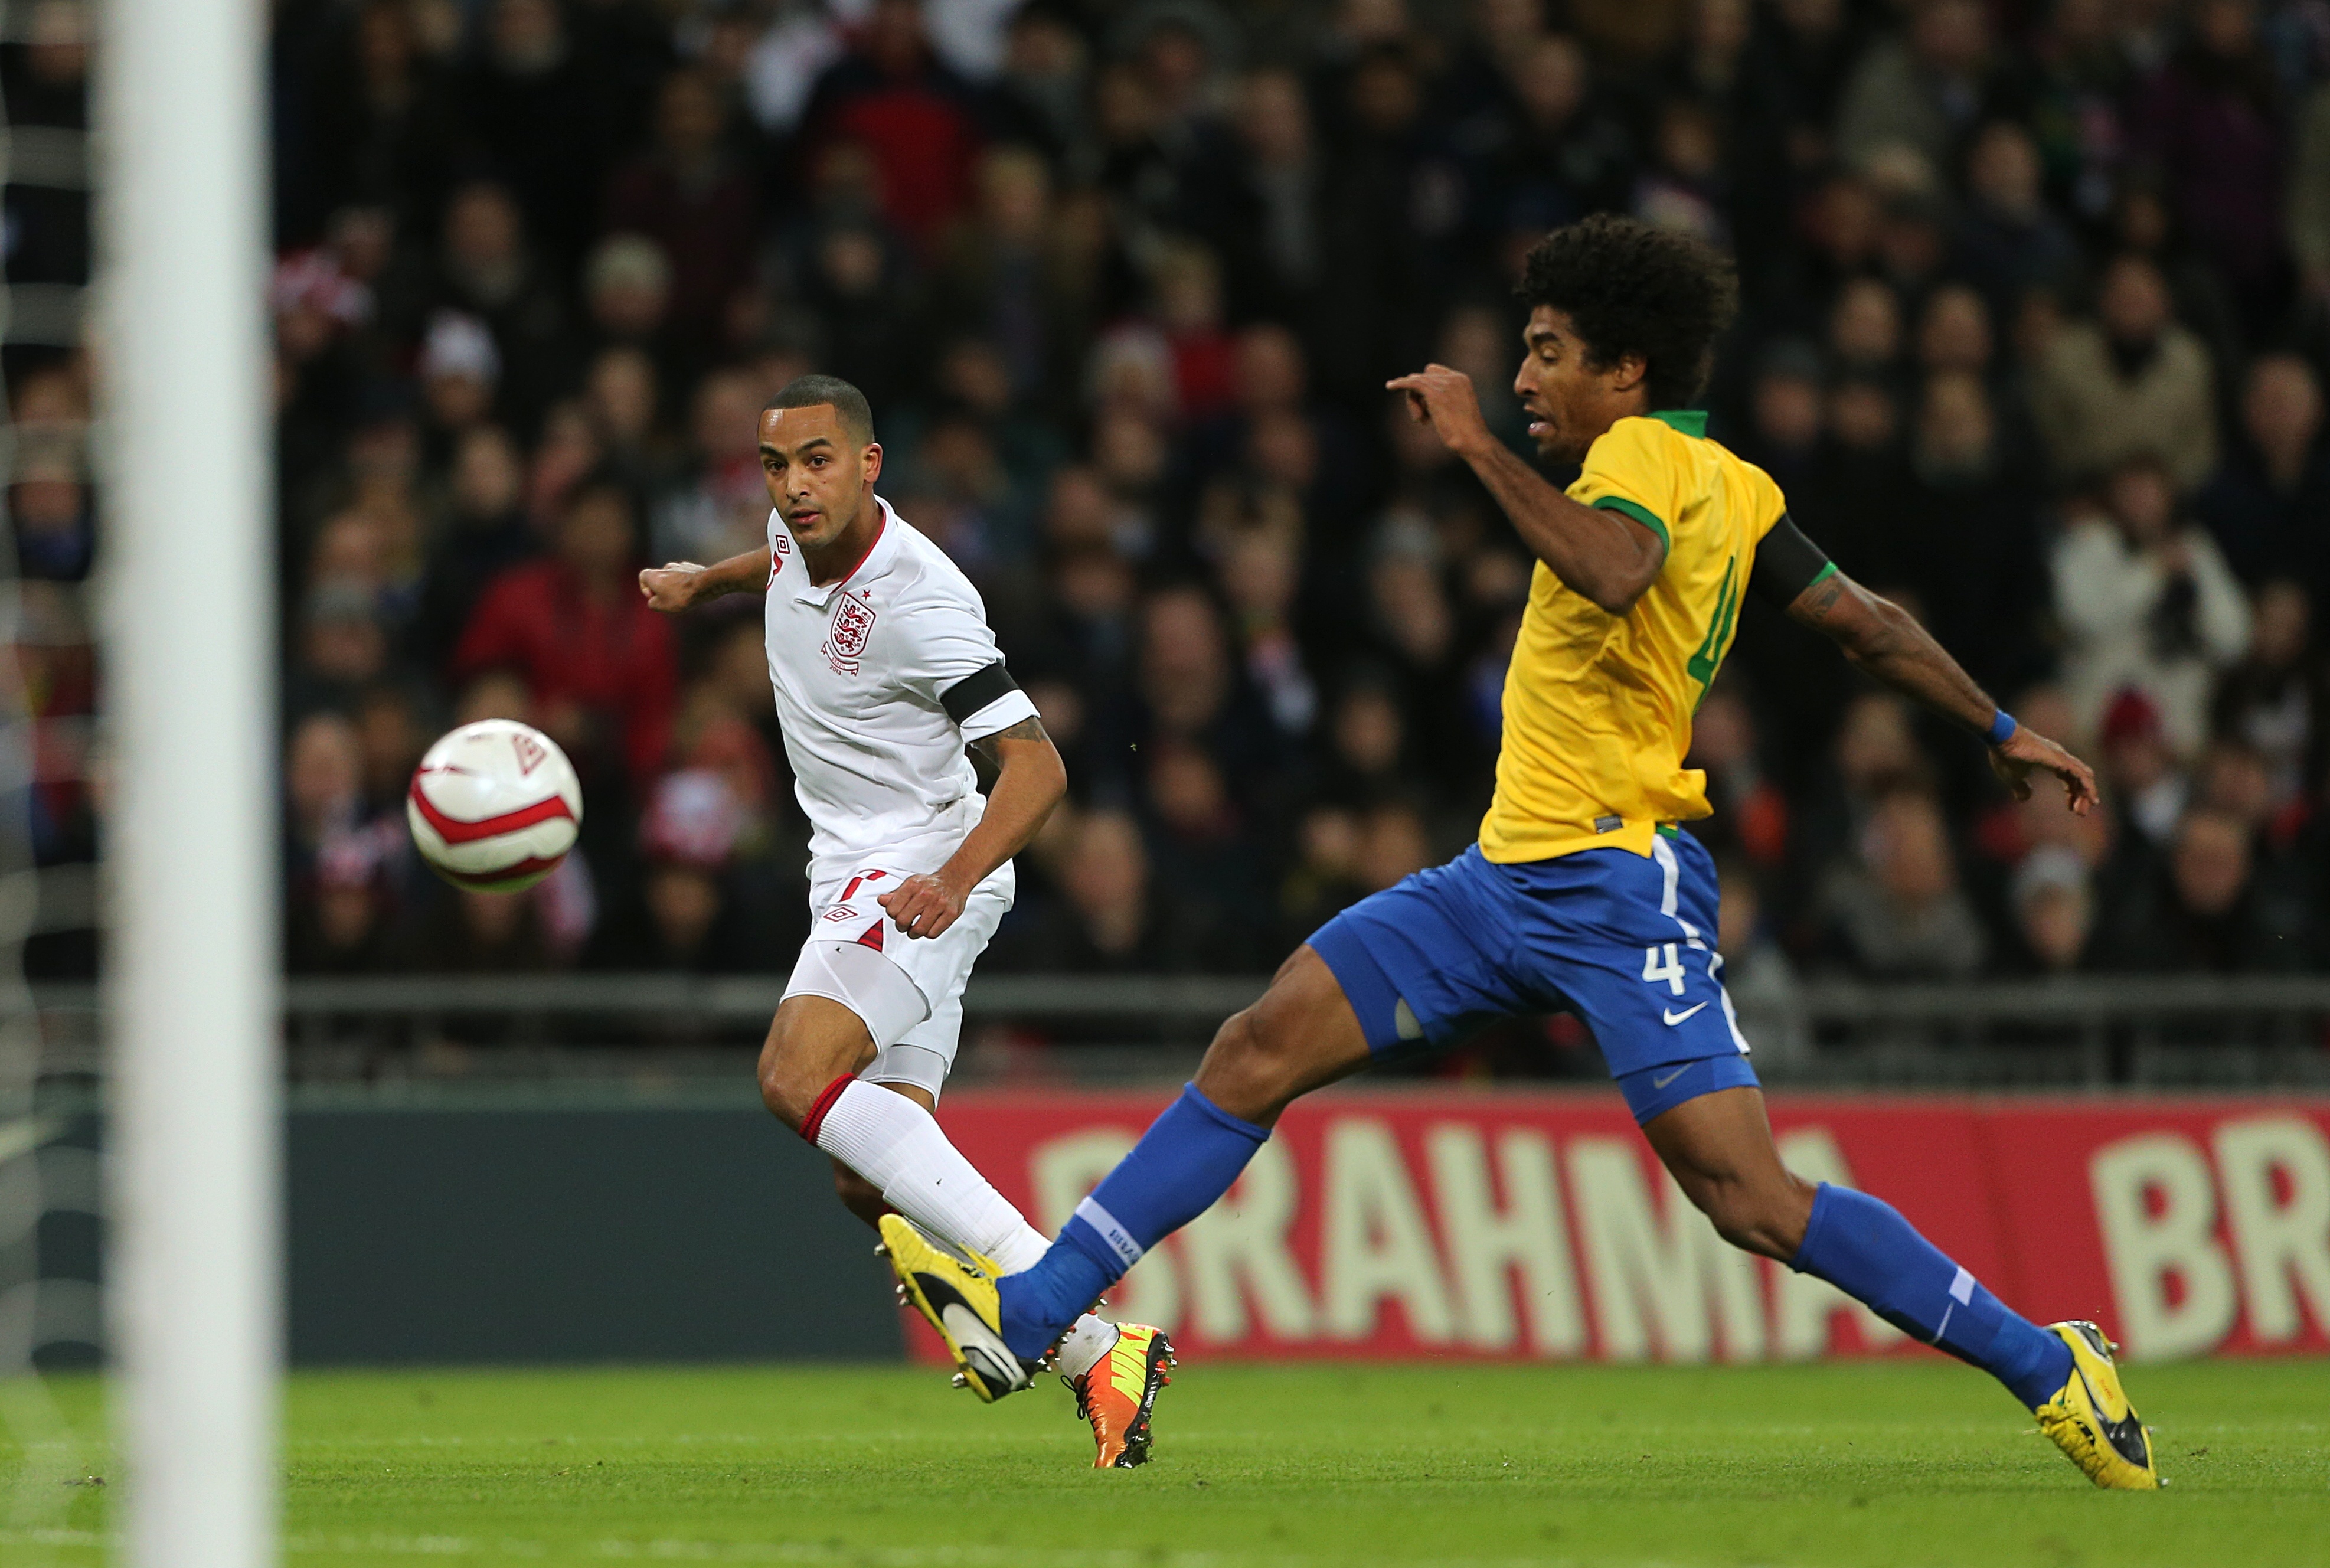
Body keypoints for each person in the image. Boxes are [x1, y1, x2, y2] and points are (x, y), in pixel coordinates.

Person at [878, 217, 2160, 1491]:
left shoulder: (1639, 459)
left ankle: (2050, 1363)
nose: (1525, 377)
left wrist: (1475, 442)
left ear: (1628, 370)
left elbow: (1618, 570)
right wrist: (1999, 727)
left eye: (1549, 353)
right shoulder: (1738, 486)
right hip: (1500, 882)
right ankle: (1040, 1306)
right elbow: (1864, 622)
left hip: (1617, 886)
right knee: (1259, 1045)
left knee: (1751, 1197)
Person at [636, 375, 1174, 1468]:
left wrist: (954, 879)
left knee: (793, 1075)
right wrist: (704, 584)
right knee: (862, 1176)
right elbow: (772, 565)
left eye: (818, 461)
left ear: (869, 464)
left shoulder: (922, 600)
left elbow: (1038, 768)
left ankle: (1055, 1296)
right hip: (855, 865)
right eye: (776, 467)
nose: (794, 488)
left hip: (921, 866)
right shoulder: (794, 536)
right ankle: (1094, 1351)